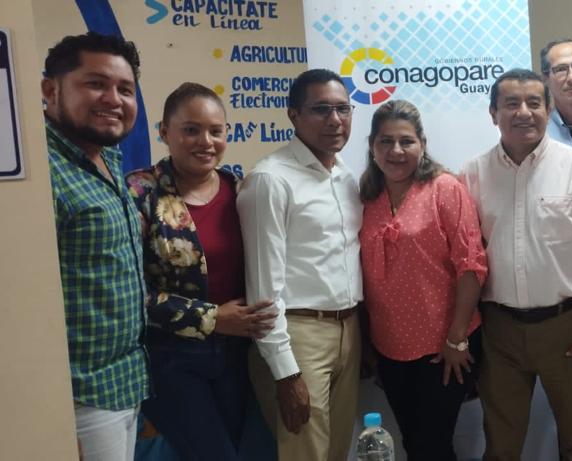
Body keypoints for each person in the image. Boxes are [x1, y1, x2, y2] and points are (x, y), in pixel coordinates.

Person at [462, 68, 572, 460]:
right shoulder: (472, 174)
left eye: (534, 102)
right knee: (500, 444)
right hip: (500, 329)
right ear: (493, 113)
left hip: (568, 326)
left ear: (548, 110)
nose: (523, 112)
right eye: (511, 103)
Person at [125, 83, 276, 460]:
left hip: (240, 354)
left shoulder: (240, 190)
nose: (205, 142)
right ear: (164, 132)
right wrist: (212, 318)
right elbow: (127, 293)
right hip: (173, 358)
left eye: (215, 131)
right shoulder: (140, 194)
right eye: (191, 130)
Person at [237, 69, 363, 461]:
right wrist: (286, 371)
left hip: (348, 329)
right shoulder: (270, 179)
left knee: (337, 451)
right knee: (304, 453)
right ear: (293, 115)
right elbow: (263, 288)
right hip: (298, 335)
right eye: (321, 109)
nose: (335, 120)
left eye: (343, 109)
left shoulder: (345, 175)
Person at [358, 99, 488, 460]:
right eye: (386, 141)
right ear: (372, 146)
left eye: (406, 141)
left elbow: (472, 265)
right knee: (415, 444)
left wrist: (457, 338)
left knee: (432, 445)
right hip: (389, 347)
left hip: (444, 346)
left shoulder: (444, 188)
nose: (396, 151)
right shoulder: (368, 197)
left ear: (423, 144)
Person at [43, 32, 149, 461]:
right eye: (96, 84)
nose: (114, 99)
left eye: (125, 89)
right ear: (50, 90)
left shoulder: (109, 158)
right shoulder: (42, 174)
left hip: (123, 382)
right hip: (78, 397)